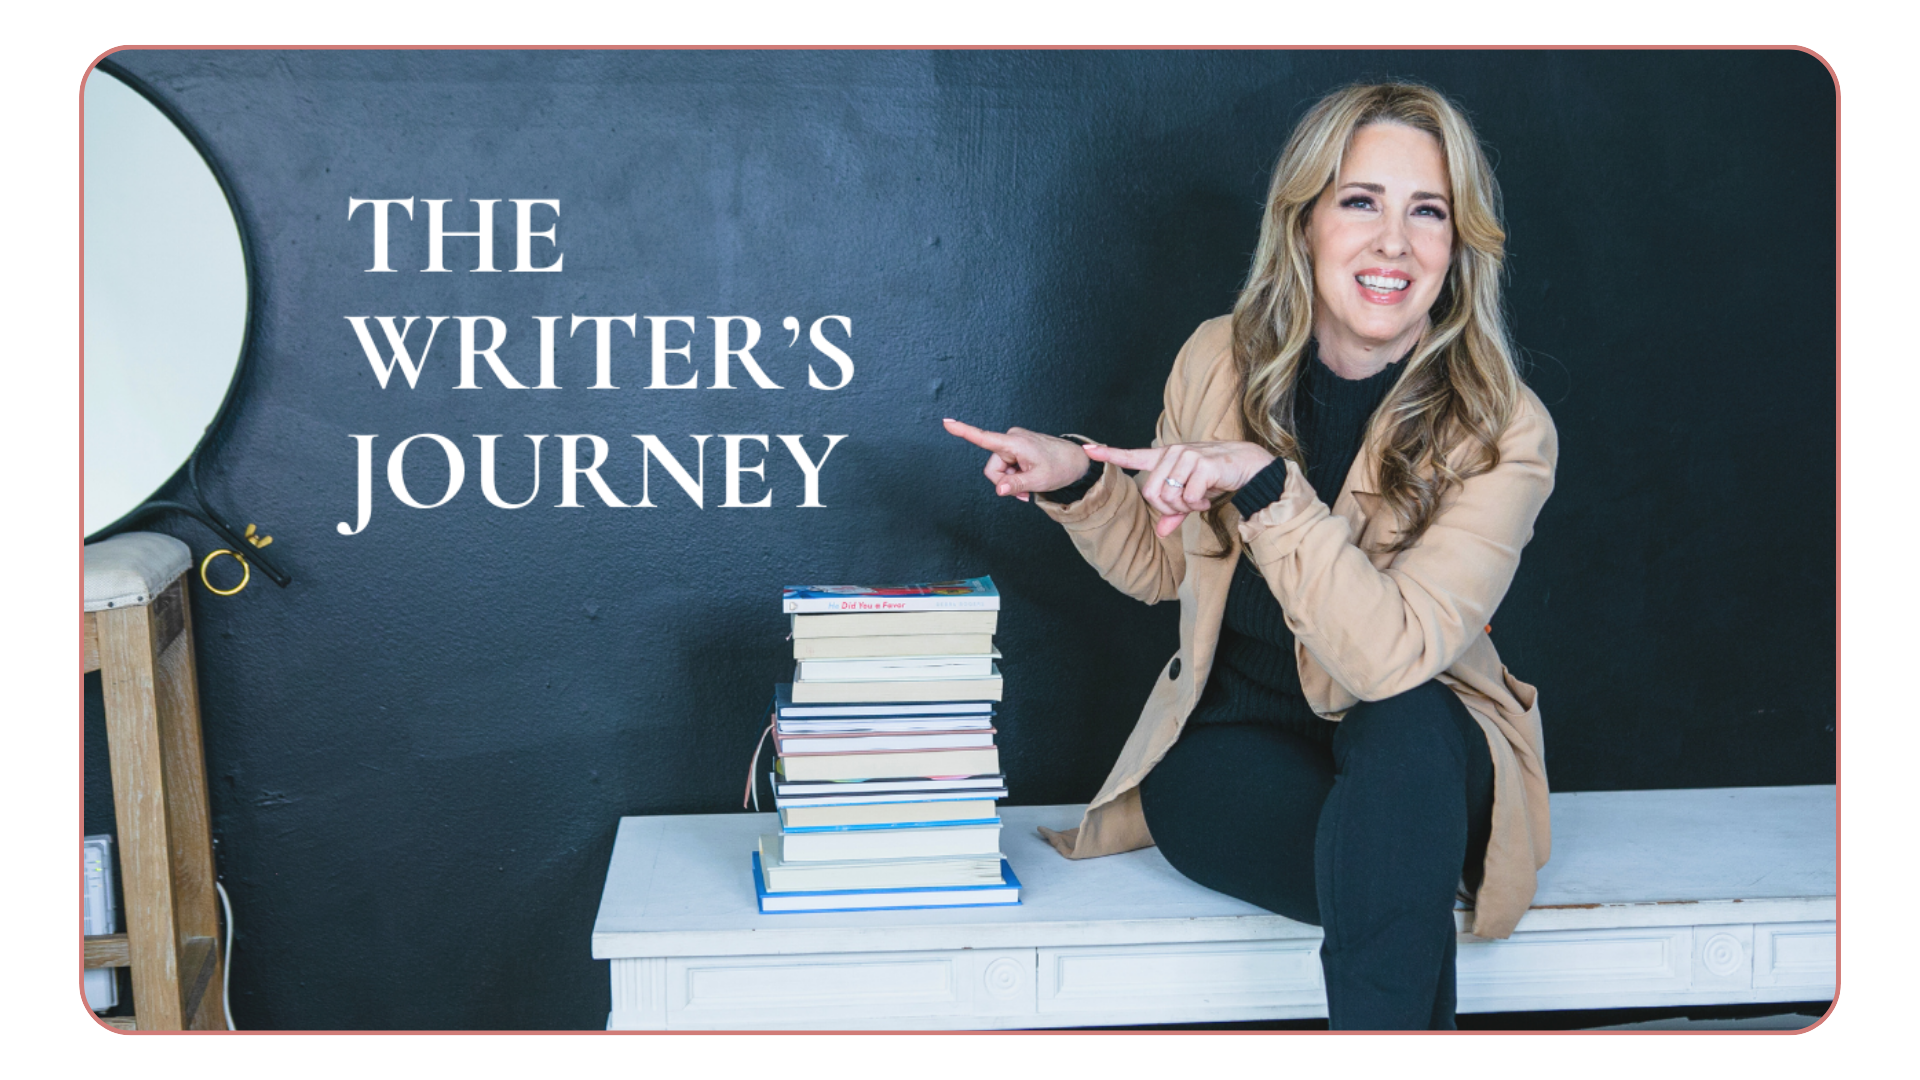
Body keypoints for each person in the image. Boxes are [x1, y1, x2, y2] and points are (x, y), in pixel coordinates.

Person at [944, 82, 1557, 1030]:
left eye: (1428, 211)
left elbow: (1390, 658)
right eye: (1361, 202)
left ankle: (1400, 877)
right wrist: (1077, 482)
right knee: (1287, 833)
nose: (1394, 243)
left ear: (1458, 244)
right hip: (1245, 744)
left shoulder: (1504, 427)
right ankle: (1402, 875)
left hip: (1422, 752)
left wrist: (1269, 488)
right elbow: (1166, 569)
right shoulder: (1217, 359)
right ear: (1304, 222)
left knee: (1401, 739)